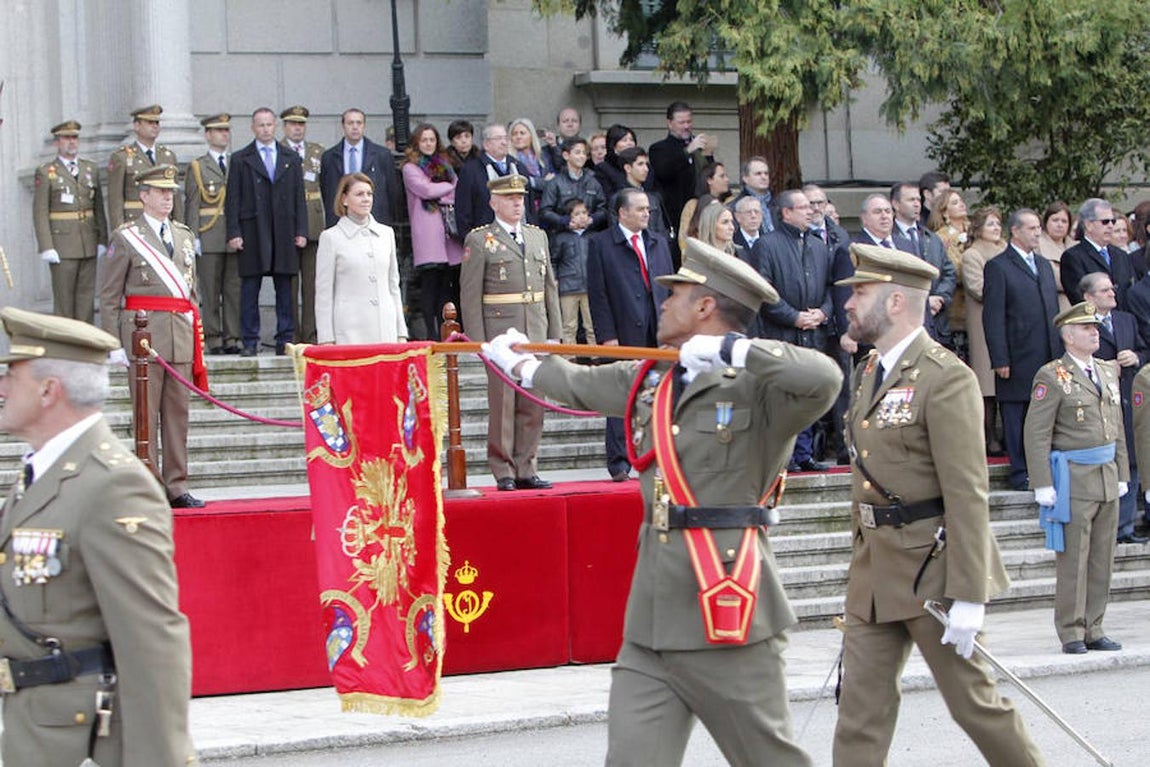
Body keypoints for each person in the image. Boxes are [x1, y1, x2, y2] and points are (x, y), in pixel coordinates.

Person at [482, 238, 842, 767]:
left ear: (705, 307)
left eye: (676, 294)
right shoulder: (657, 376)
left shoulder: (760, 388)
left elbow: (824, 378)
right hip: (653, 618)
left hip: (726, 610)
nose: (664, 303)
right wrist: (522, 363)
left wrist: (733, 351)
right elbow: (582, 383)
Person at [831, 243, 1044, 767]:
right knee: (859, 712)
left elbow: (967, 489)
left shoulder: (945, 377)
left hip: (932, 570)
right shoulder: (869, 373)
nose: (849, 304)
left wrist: (969, 593)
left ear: (897, 301)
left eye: (861, 291)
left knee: (974, 705)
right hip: (874, 569)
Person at [0, 307, 195, 767]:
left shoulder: (112, 485)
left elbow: (152, 640)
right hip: (37, 730)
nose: (2, 387)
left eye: (13, 374)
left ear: (49, 390)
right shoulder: (41, 472)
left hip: (84, 740)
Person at [99, 164, 205, 508]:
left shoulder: (185, 235)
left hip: (179, 336)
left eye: (170, 192)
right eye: (160, 192)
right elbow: (110, 295)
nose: (167, 197)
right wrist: (113, 342)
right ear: (143, 196)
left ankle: (177, 484)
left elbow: (192, 291)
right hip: (143, 339)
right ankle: (148, 486)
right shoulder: (126, 236)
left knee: (178, 415)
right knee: (146, 416)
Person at [1025, 301, 1128, 654]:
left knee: (1103, 555)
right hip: (1073, 477)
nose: (1094, 332)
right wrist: (1042, 483)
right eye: (1087, 328)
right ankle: (1071, 630)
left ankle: (1094, 626)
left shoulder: (1107, 371)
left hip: (1106, 472)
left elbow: (1117, 429)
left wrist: (1123, 472)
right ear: (1069, 336)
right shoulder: (1052, 376)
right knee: (1074, 558)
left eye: (1095, 327)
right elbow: (1036, 433)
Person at [460, 174, 561, 490]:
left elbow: (549, 288)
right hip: (500, 330)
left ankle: (526, 466)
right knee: (503, 402)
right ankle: (503, 469)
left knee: (533, 401)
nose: (517, 203)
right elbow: (470, 294)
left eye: (520, 197)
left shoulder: (536, 237)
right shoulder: (480, 240)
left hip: (535, 327)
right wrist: (480, 341)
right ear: (493, 202)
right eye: (509, 198)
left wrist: (554, 332)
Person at [586, 187, 673, 482]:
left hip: (657, 327)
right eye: (640, 209)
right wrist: (607, 335)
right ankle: (620, 460)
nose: (646, 214)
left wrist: (671, 328)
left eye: (648, 209)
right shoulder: (602, 244)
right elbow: (597, 294)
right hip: (623, 328)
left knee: (657, 393)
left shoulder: (659, 242)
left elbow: (669, 288)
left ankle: (654, 454)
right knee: (621, 393)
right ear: (622, 213)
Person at [753, 189, 834, 473]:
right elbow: (764, 292)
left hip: (813, 332)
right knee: (782, 395)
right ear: (786, 212)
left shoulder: (818, 245)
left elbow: (829, 287)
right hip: (781, 333)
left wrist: (823, 312)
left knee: (807, 393)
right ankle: (783, 455)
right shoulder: (767, 245)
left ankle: (805, 453)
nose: (811, 211)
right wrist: (794, 317)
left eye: (812, 206)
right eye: (803, 207)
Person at [983, 208, 1063, 491]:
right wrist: (1000, 358)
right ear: (1015, 231)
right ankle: (1020, 472)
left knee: (1045, 415)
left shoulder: (1043, 264)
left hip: (1046, 353)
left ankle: (1042, 470)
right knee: (1017, 416)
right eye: (1031, 228)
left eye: (1038, 227)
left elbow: (1051, 309)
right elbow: (992, 316)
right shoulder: (998, 266)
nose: (1037, 232)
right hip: (1016, 355)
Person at [225, 107, 309, 356]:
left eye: (269, 125)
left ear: (276, 127)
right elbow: (232, 199)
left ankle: (285, 339)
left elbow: (298, 198)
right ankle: (250, 340)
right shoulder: (241, 158)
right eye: (260, 125)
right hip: (252, 230)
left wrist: (301, 229)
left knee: (285, 288)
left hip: (283, 230)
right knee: (250, 288)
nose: (265, 129)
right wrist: (234, 232)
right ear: (253, 128)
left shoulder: (290, 157)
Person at [1080, 272, 1149, 544]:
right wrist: (1104, 368)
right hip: (1098, 402)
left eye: (1112, 288)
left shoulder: (1126, 319)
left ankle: (1126, 527)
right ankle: (1105, 529)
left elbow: (1144, 349)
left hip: (1129, 398)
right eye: (1105, 290)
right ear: (1088, 297)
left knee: (1131, 461)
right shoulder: (1081, 325)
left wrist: (1136, 356)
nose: (1112, 293)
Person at [315, 173, 407, 345]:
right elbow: (324, 293)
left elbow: (393, 286)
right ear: (344, 199)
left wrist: (401, 332)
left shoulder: (386, 234)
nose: (366, 199)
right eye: (359, 194)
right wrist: (326, 338)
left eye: (369, 194)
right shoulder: (331, 238)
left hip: (385, 331)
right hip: (349, 333)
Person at [32, 119, 107, 323]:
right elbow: (40, 211)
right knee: (64, 302)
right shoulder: (47, 172)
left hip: (88, 243)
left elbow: (98, 208)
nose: (72, 142)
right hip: (62, 245)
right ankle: (67, 350)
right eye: (66, 138)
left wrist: (102, 239)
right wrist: (46, 246)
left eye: (74, 137)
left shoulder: (89, 168)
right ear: (57, 142)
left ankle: (85, 349)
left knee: (86, 300)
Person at [402, 122, 464, 339]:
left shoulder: (444, 163)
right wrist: (448, 189)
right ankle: (431, 333)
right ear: (416, 143)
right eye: (424, 140)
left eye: (432, 139)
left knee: (446, 285)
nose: (428, 144)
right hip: (428, 230)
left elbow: (454, 189)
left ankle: (447, 330)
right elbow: (426, 189)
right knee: (430, 283)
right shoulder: (410, 167)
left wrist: (444, 191)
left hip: (448, 231)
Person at [185, 112, 240, 355]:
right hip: (209, 235)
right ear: (208, 135)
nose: (223, 135)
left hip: (233, 234)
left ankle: (233, 336)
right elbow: (193, 203)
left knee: (233, 289)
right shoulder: (198, 166)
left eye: (226, 130)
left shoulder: (236, 163)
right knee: (210, 287)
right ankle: (213, 336)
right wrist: (193, 235)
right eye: (218, 130)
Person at [960, 206, 1006, 455]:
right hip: (983, 322)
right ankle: (989, 438)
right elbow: (978, 288)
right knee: (987, 386)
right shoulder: (973, 255)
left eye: (998, 223)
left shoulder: (1006, 250)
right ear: (977, 228)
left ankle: (1008, 435)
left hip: (1009, 320)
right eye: (990, 224)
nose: (996, 228)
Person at [280, 105, 327, 345]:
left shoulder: (317, 152)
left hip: (314, 222)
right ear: (285, 126)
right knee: (289, 284)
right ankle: (292, 334)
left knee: (312, 284)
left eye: (301, 124)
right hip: (287, 224)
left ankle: (311, 333)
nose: (297, 128)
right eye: (292, 124)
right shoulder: (278, 151)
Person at [890, 181, 957, 345]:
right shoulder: (888, 239)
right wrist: (924, 302)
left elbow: (949, 272)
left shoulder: (931, 238)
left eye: (918, 200)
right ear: (896, 204)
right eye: (910, 200)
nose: (916, 204)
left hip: (936, 325)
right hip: (904, 325)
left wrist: (940, 297)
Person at [319, 108, 400, 228]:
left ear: (364, 125)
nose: (355, 127)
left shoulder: (382, 155)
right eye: (350, 123)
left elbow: (392, 191)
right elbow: (326, 191)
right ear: (343, 126)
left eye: (359, 123)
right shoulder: (329, 157)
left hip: (374, 220)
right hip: (340, 220)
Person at [649, 101, 715, 246]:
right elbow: (664, 172)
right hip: (676, 215)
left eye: (689, 121)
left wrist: (708, 155)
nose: (686, 126)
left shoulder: (698, 148)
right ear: (670, 123)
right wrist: (687, 151)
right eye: (681, 122)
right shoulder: (659, 148)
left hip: (703, 211)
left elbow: (709, 176)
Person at [107, 104, 180, 228]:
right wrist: (119, 231)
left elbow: (175, 197)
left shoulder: (168, 156)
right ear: (137, 126)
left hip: (164, 222)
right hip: (136, 222)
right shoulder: (122, 157)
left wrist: (178, 226)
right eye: (150, 122)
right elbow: (115, 200)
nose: (155, 126)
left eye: (157, 122)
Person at [1060, 198, 1135, 307]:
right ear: (1088, 225)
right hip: (1093, 321)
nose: (1110, 226)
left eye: (1112, 221)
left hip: (1123, 321)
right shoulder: (1073, 257)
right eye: (1105, 222)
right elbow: (1079, 297)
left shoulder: (1122, 256)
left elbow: (1130, 291)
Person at [455, 124, 526, 235]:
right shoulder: (471, 170)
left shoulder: (519, 167)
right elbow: (463, 211)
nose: (504, 142)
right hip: (486, 239)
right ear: (486, 144)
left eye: (505, 138)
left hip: (519, 235)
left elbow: (529, 206)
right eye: (498, 139)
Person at [927, 189, 970, 354]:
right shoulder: (940, 238)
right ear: (944, 212)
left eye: (961, 201)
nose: (961, 204)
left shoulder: (975, 230)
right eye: (955, 202)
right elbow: (953, 269)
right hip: (957, 308)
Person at [539, 137, 608, 235]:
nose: (582, 156)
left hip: (589, 235)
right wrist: (565, 221)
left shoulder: (593, 182)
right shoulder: (555, 183)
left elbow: (603, 209)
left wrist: (591, 219)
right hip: (562, 236)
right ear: (566, 155)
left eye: (584, 153)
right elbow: (545, 211)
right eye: (577, 152)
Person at [550, 198, 595, 347]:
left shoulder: (593, 237)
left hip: (590, 286)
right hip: (568, 286)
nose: (582, 216)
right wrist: (555, 278)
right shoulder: (561, 238)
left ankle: (597, 356)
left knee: (592, 325)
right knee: (569, 326)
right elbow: (554, 260)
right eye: (576, 213)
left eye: (584, 212)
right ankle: (570, 357)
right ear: (568, 217)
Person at [616, 146, 670, 240]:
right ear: (628, 168)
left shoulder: (653, 198)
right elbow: (617, 234)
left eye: (646, 164)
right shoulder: (618, 198)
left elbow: (661, 232)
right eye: (640, 164)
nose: (646, 169)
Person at [678, 162, 731, 253]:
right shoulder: (692, 205)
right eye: (722, 176)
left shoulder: (730, 203)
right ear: (709, 180)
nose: (727, 179)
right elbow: (683, 239)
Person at [509, 117, 553, 221]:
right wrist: (540, 182)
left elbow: (552, 183)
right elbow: (520, 182)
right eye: (514, 134)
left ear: (531, 136)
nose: (518, 137)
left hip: (544, 208)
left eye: (522, 133)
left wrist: (532, 182)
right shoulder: (509, 160)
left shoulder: (543, 156)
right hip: (523, 209)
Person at [1038, 200, 1076, 313]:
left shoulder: (1076, 246)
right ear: (1046, 222)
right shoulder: (1037, 245)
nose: (1060, 225)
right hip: (1049, 305)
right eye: (1055, 220)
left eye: (1064, 221)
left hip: (1075, 306)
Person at [730, 156, 775, 234]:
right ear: (745, 178)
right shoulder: (735, 206)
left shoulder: (778, 204)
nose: (764, 177)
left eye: (766, 173)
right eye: (758, 174)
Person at [593, 123, 638, 200]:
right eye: (624, 140)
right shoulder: (603, 169)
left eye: (631, 140)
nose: (629, 143)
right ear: (613, 145)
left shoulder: (644, 167)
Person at [542, 106, 583, 173]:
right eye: (565, 121)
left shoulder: (588, 149)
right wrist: (554, 146)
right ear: (558, 126)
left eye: (574, 121)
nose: (570, 124)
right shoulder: (545, 151)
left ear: (580, 125)